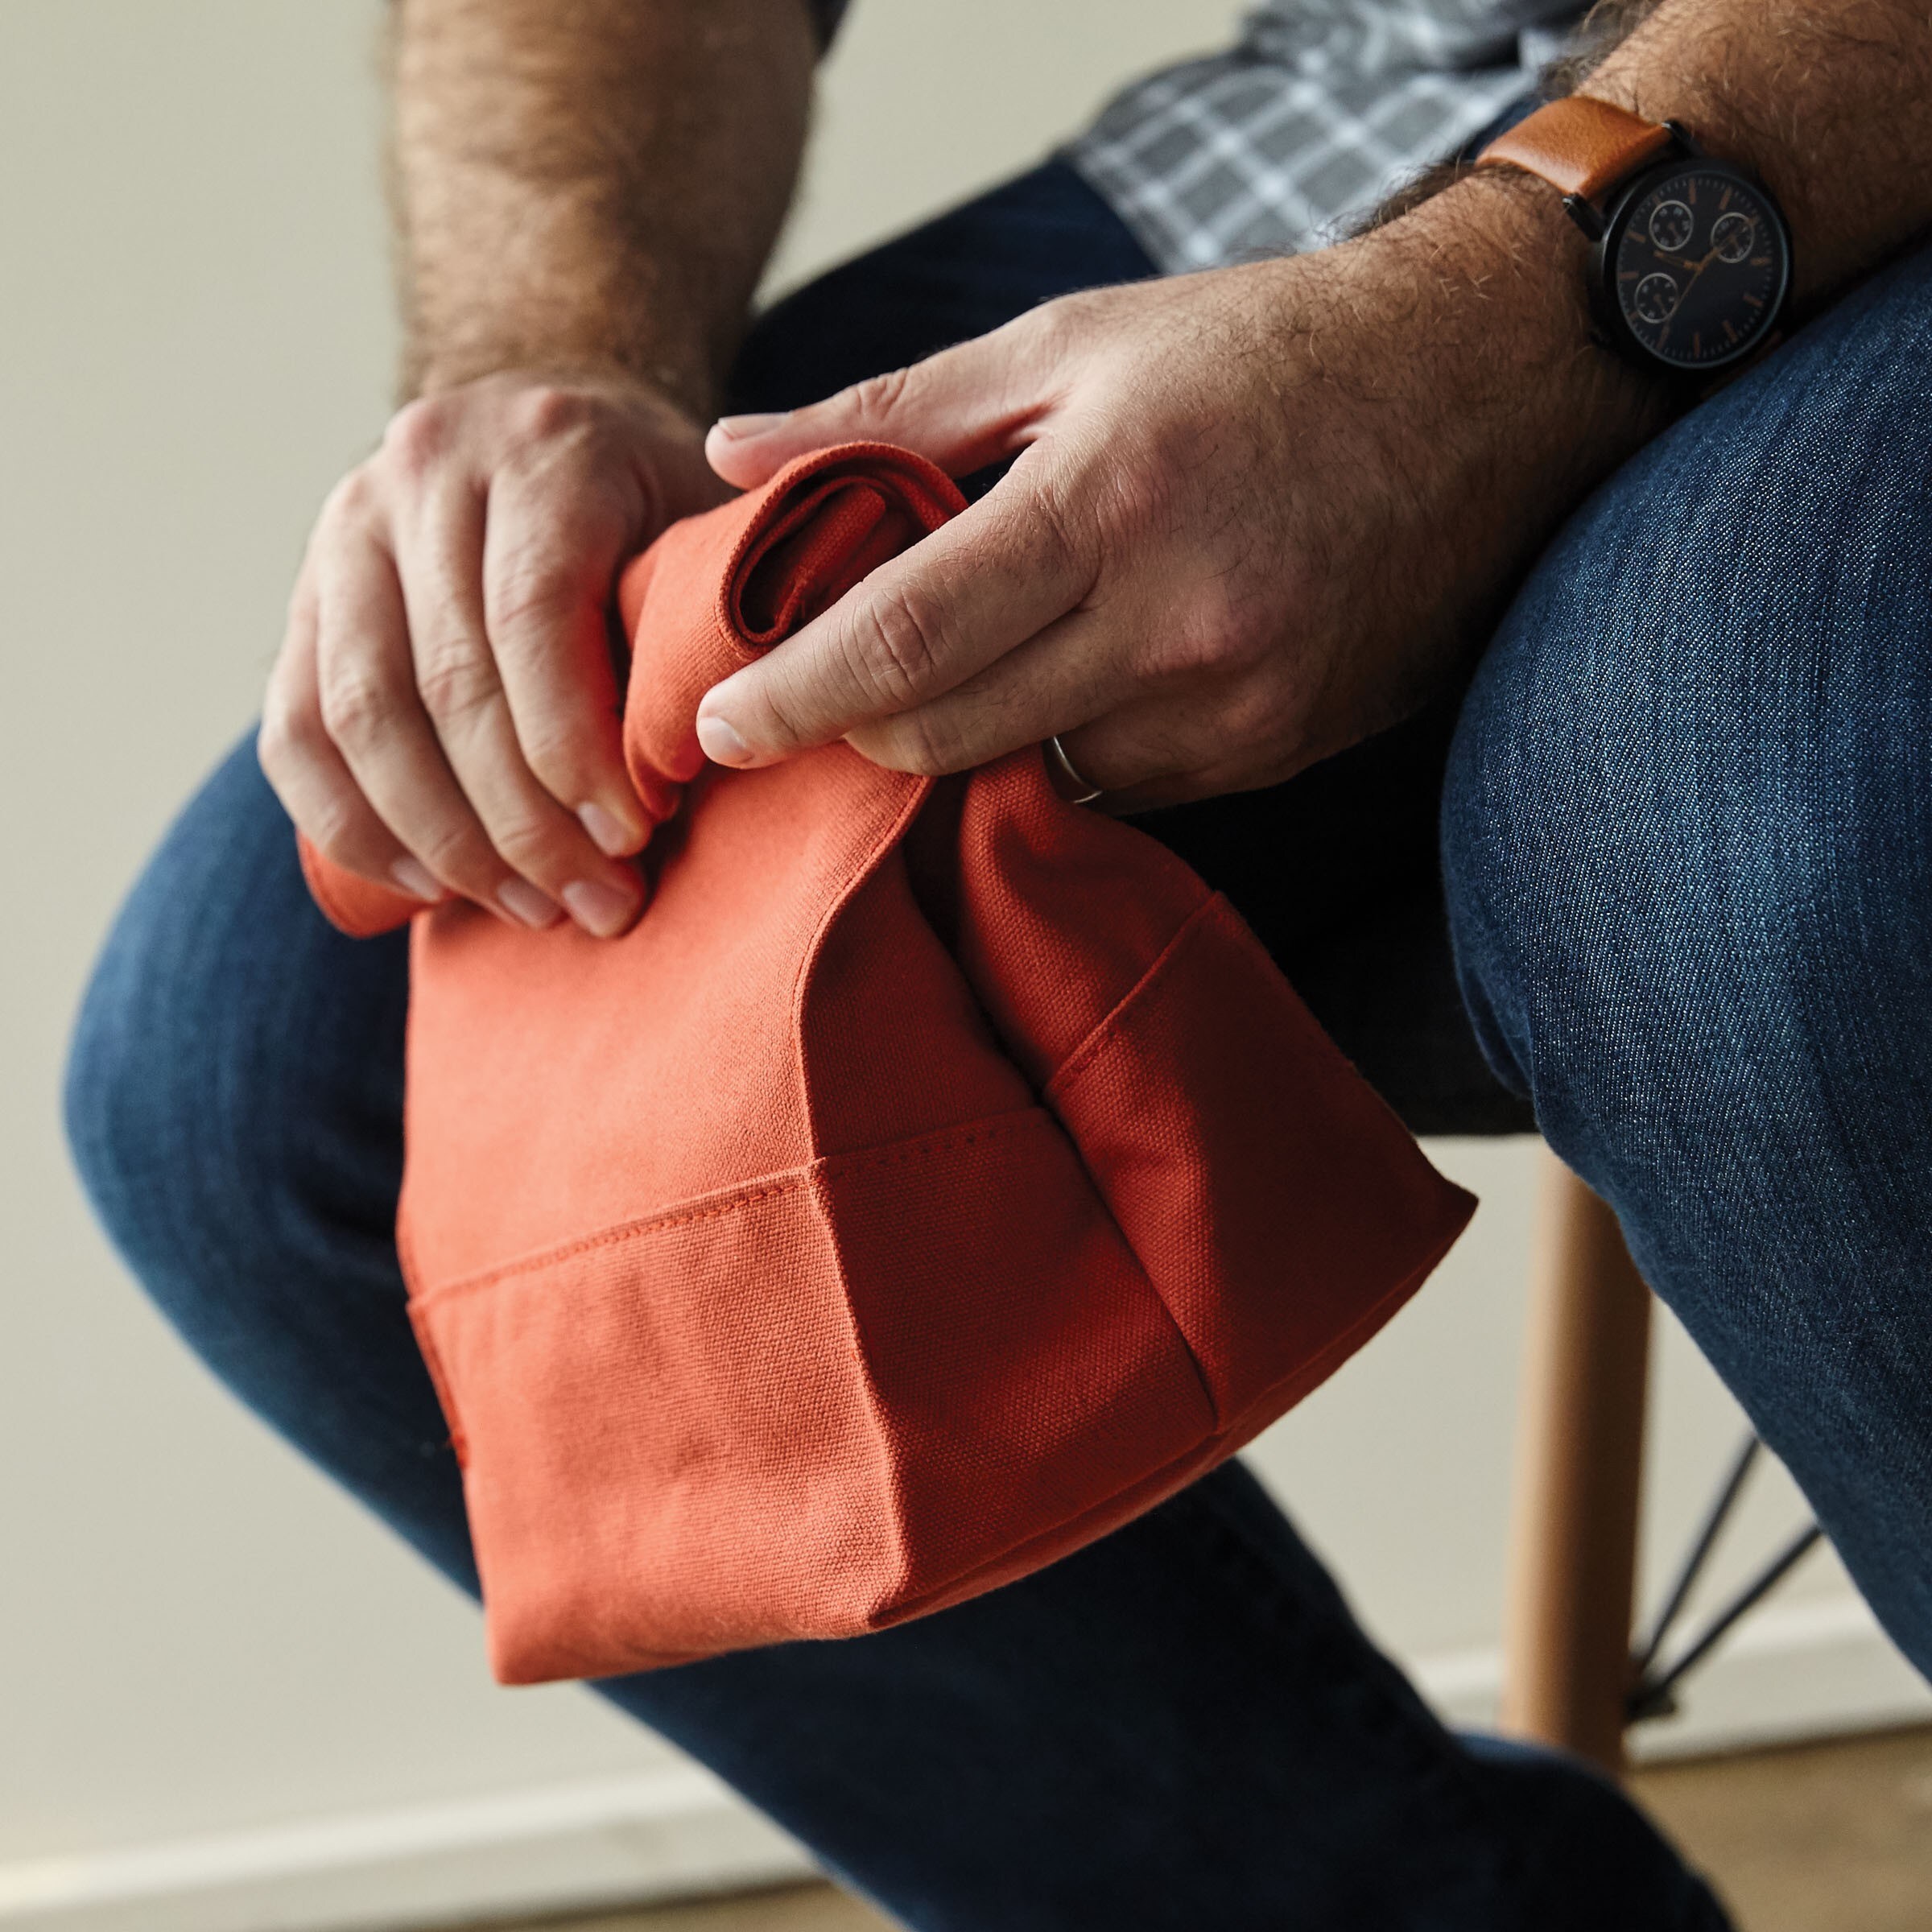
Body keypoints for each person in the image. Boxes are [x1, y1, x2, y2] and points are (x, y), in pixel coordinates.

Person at [63, 0, 1932, 1923]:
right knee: (273, 1077)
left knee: (1746, 852)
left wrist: (1490, 328)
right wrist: (551, 351)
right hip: (1351, 120)